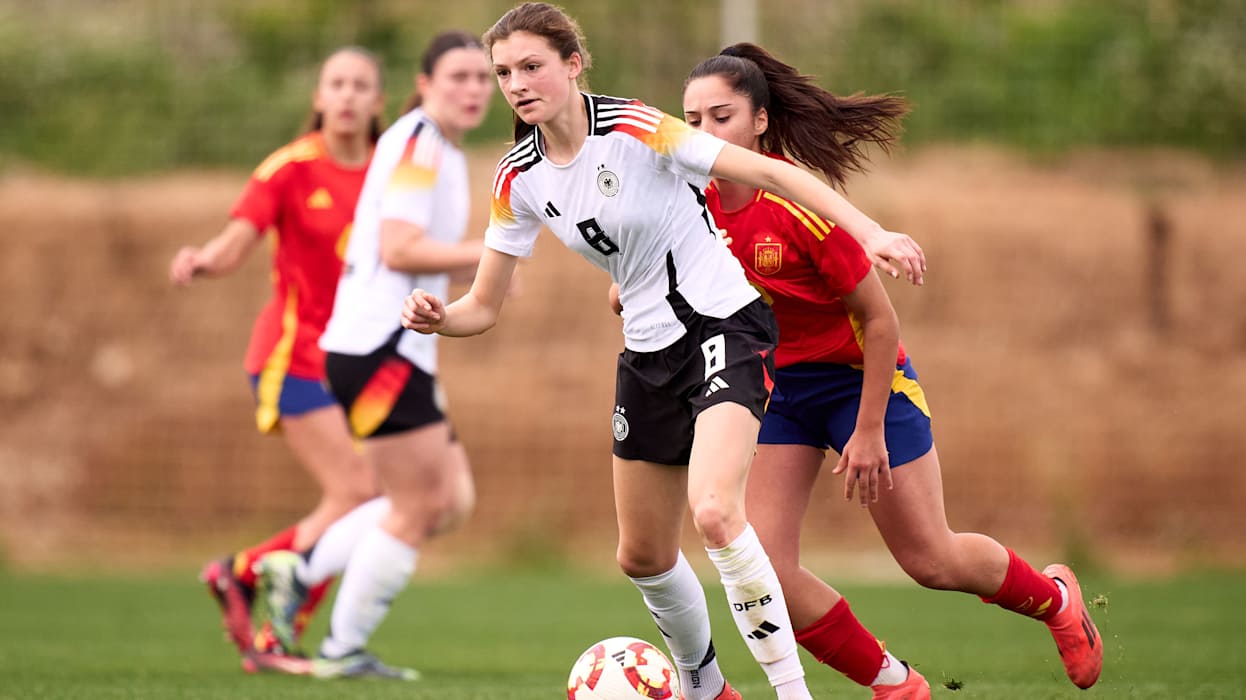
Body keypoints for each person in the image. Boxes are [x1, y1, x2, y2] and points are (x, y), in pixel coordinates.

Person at [400, 5, 923, 699]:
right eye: (504, 73)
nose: (517, 84)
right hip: (647, 356)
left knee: (715, 512)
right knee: (643, 556)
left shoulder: (636, 127)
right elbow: (483, 307)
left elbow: (775, 176)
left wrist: (871, 231)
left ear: (573, 65)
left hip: (724, 329)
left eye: (531, 66)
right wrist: (440, 318)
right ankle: (707, 689)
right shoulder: (515, 178)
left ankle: (792, 693)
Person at [678, 43, 1102, 694]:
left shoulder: (801, 208)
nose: (705, 133)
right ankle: (895, 683)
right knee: (766, 571)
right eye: (692, 120)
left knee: (931, 559)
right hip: (775, 388)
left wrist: (869, 428)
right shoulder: (692, 202)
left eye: (721, 117)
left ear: (760, 121)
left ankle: (1055, 600)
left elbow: (880, 322)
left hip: (858, 381)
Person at [249, 29, 494, 680]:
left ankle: (298, 568)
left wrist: (484, 263)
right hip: (379, 348)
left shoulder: (432, 144)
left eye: (483, 77)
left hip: (394, 349)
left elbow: (407, 252)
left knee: (452, 498)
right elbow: (398, 248)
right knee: (419, 505)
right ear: (425, 84)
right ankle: (340, 648)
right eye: (458, 76)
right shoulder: (419, 145)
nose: (474, 89)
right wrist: (493, 251)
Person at [169, 47, 385, 661]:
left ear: (378, 101)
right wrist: (203, 259)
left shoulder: (391, 170)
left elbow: (411, 245)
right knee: (358, 491)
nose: (347, 95)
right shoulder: (289, 168)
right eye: (336, 83)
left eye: (360, 85)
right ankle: (250, 581)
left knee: (364, 501)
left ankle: (256, 595)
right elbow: (237, 239)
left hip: (358, 363)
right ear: (319, 97)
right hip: (293, 359)